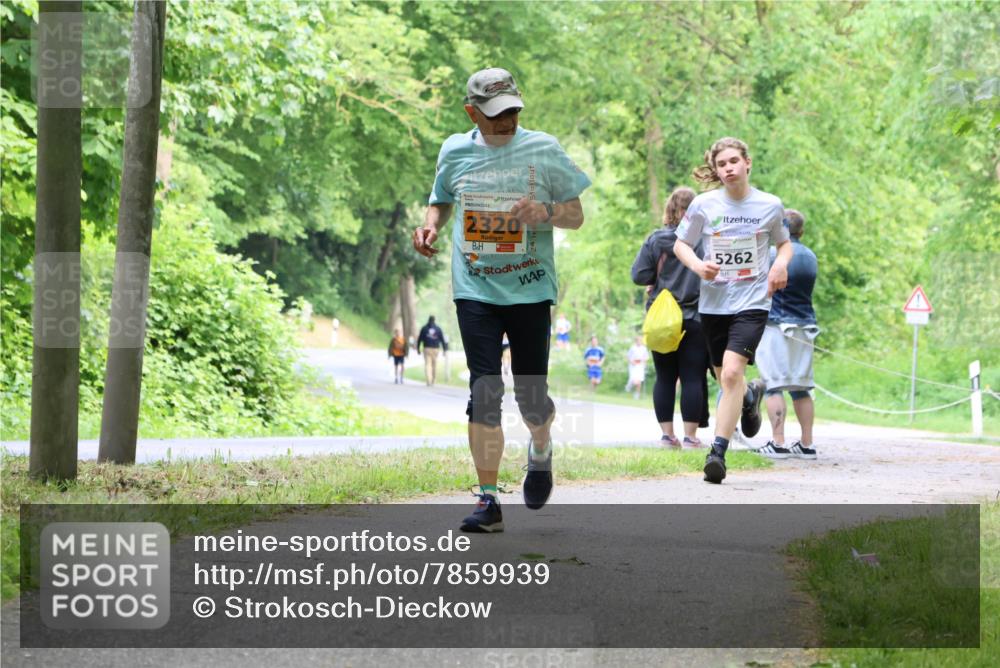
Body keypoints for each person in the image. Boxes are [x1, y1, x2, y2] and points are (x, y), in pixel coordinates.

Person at [412, 67, 591, 532]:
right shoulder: (454, 150)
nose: (507, 121)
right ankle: (488, 500)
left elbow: (576, 215)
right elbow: (441, 198)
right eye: (495, 115)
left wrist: (545, 211)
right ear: (471, 113)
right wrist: (430, 225)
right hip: (475, 288)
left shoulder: (544, 149)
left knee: (531, 398)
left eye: (513, 110)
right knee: (485, 389)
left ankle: (541, 446)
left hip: (530, 289)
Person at [674, 137, 793, 484]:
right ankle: (749, 397)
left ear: (747, 163)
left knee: (730, 374)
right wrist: (698, 266)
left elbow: (785, 244)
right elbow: (681, 244)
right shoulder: (704, 204)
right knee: (726, 379)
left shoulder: (770, 205)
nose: (728, 168)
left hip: (753, 302)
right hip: (714, 303)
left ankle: (717, 454)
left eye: (733, 161)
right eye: (721, 164)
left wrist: (779, 265)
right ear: (716, 170)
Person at [631, 186, 710, 447]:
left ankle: (667, 435)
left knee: (664, 376)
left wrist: (656, 278)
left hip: (663, 318)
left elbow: (638, 275)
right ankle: (691, 437)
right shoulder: (706, 240)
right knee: (692, 376)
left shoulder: (657, 240)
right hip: (695, 315)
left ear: (671, 209)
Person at [753, 209, 819, 460]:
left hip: (776, 327)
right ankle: (807, 444)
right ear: (801, 230)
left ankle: (778, 442)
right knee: (801, 387)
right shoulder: (811, 256)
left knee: (773, 385)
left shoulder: (773, 255)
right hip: (805, 326)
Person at [417, 315, 449, 386]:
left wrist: (418, 349)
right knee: (434, 365)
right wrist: (444, 350)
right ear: (434, 320)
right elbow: (442, 340)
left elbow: (419, 339)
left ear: (428, 320)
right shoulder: (438, 329)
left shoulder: (424, 328)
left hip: (427, 348)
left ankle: (429, 381)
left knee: (427, 365)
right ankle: (433, 381)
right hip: (435, 349)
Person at [625, 335, 649, 400]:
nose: (639, 342)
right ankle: (629, 386)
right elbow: (627, 356)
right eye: (638, 340)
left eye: (640, 340)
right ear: (636, 341)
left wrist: (644, 364)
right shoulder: (632, 348)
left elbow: (646, 357)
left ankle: (637, 394)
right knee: (633, 380)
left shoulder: (644, 348)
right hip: (633, 365)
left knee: (639, 381)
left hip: (640, 365)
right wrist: (631, 362)